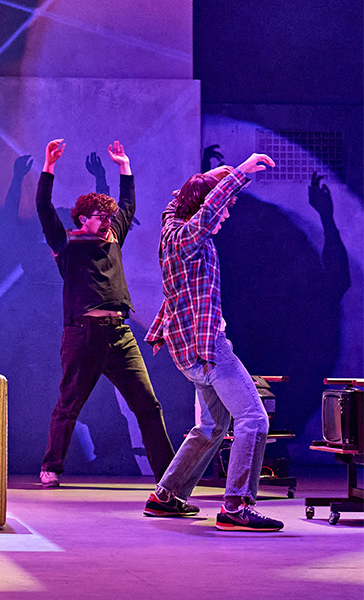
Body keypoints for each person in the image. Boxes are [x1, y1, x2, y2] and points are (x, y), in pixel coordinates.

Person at [142, 153, 284, 532]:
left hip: (189, 353)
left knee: (211, 427)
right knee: (254, 420)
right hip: (209, 350)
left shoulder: (170, 227)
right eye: (224, 208)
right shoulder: (188, 238)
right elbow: (208, 211)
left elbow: (178, 200)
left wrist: (206, 177)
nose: (225, 216)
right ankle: (236, 506)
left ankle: (166, 496)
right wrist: (240, 172)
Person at [35, 139, 175, 487]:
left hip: (120, 335)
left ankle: (170, 473)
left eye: (109, 217)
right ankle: (51, 467)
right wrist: (49, 165)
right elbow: (43, 206)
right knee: (68, 405)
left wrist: (124, 166)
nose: (108, 220)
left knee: (147, 405)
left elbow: (129, 203)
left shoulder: (113, 237)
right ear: (82, 219)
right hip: (83, 335)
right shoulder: (66, 242)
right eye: (101, 216)